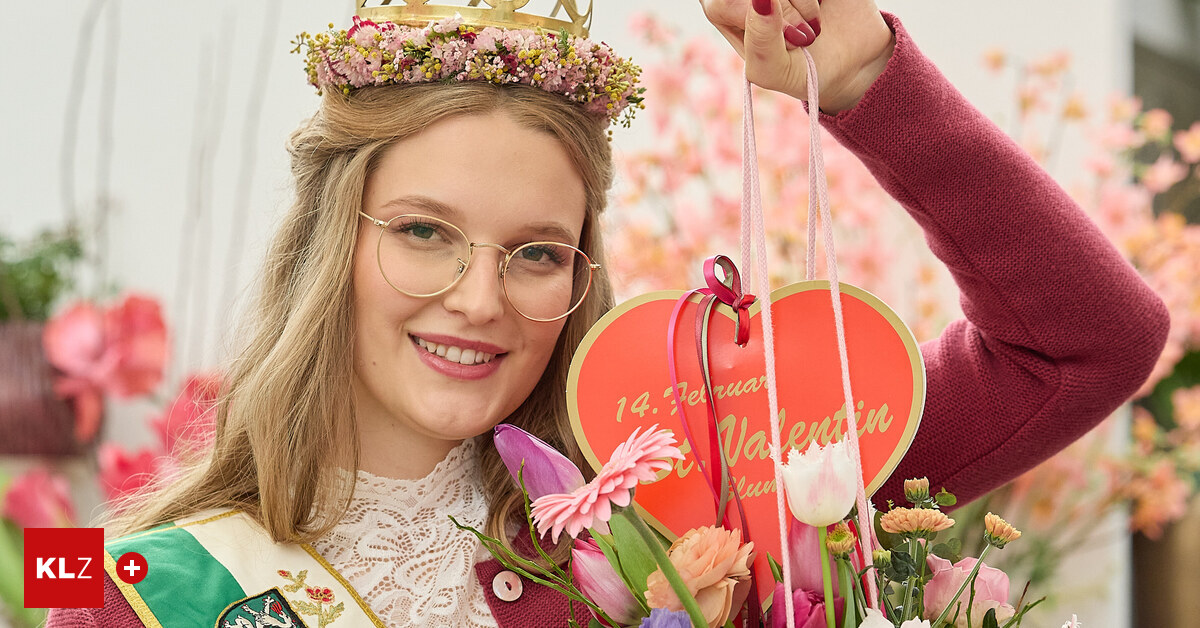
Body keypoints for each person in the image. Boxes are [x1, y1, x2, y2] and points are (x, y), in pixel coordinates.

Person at [47, 0, 1169, 626]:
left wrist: (868, 80)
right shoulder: (119, 591)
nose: (478, 299)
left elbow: (1091, 339)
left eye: (537, 252)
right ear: (328, 243)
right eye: (424, 231)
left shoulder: (708, 495)